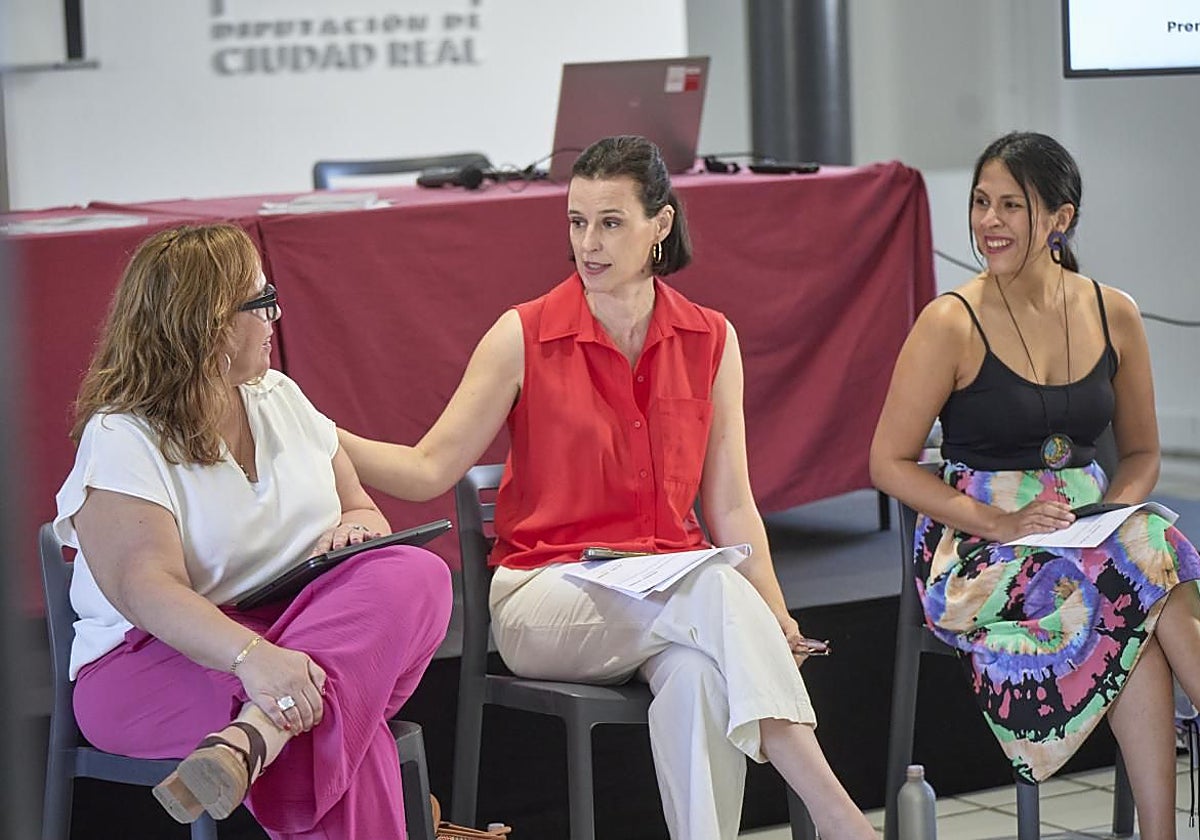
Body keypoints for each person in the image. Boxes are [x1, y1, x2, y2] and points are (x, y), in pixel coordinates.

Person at [339, 135, 875, 840]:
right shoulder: (522, 335)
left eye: (611, 221)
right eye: (576, 220)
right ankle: (840, 817)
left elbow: (731, 503)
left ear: (662, 225)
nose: (588, 242)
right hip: (545, 598)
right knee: (715, 589)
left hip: (669, 598)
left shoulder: (712, 340)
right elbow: (428, 468)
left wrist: (777, 615)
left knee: (697, 676)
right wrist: (314, 431)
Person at [55, 223, 452, 838]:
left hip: (290, 638)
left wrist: (354, 530)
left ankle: (251, 741)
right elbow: (145, 588)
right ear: (211, 324)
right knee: (334, 726)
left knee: (416, 571)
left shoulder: (279, 396)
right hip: (151, 661)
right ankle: (288, 738)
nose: (276, 315)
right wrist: (252, 658)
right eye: (262, 302)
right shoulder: (121, 435)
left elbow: (362, 509)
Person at [870, 131, 1200, 839]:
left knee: (1143, 558)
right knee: (1151, 560)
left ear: (1060, 218)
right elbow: (887, 463)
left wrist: (1105, 515)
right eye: (981, 203)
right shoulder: (948, 322)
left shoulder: (1115, 312)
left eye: (1011, 206)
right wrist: (1000, 524)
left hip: (1089, 531)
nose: (988, 221)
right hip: (977, 547)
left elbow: (1140, 452)